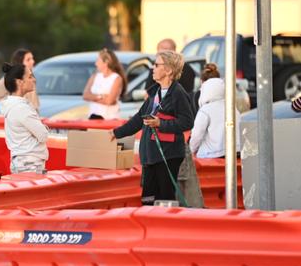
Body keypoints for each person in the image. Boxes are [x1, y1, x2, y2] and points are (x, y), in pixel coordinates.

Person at [111, 51, 194, 205]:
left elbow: (187, 122)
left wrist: (161, 124)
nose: (152, 69)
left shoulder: (178, 93)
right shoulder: (154, 92)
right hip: (150, 156)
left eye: (156, 65)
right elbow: (139, 119)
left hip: (168, 155)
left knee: (164, 200)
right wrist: (116, 133)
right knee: (148, 200)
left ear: (168, 70)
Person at [0, 63, 48, 173]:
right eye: (30, 76)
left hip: (21, 162)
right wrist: (43, 128)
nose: (34, 80)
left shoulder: (13, 106)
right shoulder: (21, 109)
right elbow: (43, 135)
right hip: (30, 165)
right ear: (19, 82)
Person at [190, 78, 241, 158]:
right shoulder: (233, 108)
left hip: (211, 154)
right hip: (236, 152)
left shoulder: (205, 110)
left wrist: (191, 149)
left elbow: (197, 135)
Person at [81, 48, 126, 119]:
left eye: (98, 60)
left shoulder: (116, 78)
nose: (96, 63)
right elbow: (85, 95)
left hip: (109, 119)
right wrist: (101, 96)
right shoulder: (95, 76)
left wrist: (92, 97)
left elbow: (109, 101)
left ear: (106, 62)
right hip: (92, 118)